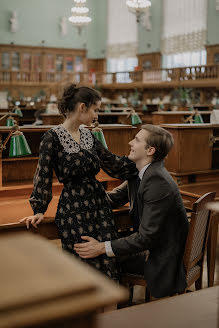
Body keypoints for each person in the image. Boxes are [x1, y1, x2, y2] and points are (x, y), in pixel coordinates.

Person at [20, 84, 137, 281]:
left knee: (108, 270)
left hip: (100, 207)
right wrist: (39, 209)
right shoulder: (52, 137)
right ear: (82, 107)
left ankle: (110, 313)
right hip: (74, 212)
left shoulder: (89, 135)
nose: (97, 115)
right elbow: (43, 174)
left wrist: (144, 162)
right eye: (95, 109)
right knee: (83, 271)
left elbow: (113, 164)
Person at [74, 124, 189, 298]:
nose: (130, 142)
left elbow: (145, 238)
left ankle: (107, 314)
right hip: (154, 247)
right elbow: (114, 198)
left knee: (95, 256)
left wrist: (100, 247)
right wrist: (83, 191)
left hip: (161, 259)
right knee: (98, 248)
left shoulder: (157, 181)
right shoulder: (142, 173)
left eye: (136, 140)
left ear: (150, 150)